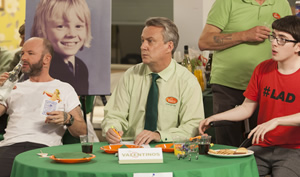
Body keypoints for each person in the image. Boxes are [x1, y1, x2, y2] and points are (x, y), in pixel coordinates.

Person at [199, 15, 300, 177]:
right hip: (262, 146)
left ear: (298, 46)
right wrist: (215, 117)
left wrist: (277, 121)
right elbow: (247, 108)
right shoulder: (263, 69)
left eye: (282, 39)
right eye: (274, 36)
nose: (274, 43)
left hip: (295, 150)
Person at [198, 0, 292, 147]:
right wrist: (244, 35)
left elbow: (292, 39)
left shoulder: (282, 3)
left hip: (267, 87)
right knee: (227, 146)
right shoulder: (226, 2)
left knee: (263, 143)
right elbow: (204, 42)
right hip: (228, 84)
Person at [0, 37, 87, 177]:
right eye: (22, 53)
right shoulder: (14, 87)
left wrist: (68, 118)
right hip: (9, 147)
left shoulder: (64, 89)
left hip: (44, 149)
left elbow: (82, 131)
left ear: (46, 59)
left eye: (30, 53)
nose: (24, 58)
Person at [102, 17, 204, 145]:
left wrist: (159, 135)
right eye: (142, 41)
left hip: (170, 151)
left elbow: (192, 126)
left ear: (169, 46)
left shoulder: (187, 81)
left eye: (150, 41)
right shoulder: (130, 76)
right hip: (132, 150)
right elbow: (114, 115)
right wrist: (112, 129)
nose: (143, 46)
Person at [31, 0, 92, 95]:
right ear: (42, 29)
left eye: (78, 26)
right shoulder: (43, 68)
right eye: (61, 26)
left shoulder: (81, 67)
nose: (72, 34)